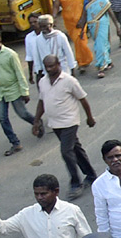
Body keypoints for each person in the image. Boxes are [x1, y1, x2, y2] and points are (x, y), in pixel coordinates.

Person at [33, 55, 97, 199]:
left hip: (69, 122)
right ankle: (91, 174)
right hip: (55, 123)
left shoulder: (69, 81)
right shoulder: (43, 82)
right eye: (46, 67)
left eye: (52, 66)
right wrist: (36, 121)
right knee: (76, 148)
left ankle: (76, 183)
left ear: (59, 64)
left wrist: (90, 117)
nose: (49, 69)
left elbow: (83, 99)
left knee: (66, 151)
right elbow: (42, 102)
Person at [0, 29, 33, 155]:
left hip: (13, 90)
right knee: (2, 119)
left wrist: (24, 91)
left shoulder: (10, 54)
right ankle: (15, 143)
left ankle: (36, 123)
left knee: (23, 114)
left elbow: (19, 73)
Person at [53, 0, 93, 73]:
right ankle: (84, 60)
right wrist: (53, 17)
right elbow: (56, 5)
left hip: (80, 20)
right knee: (76, 41)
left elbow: (85, 6)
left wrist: (83, 20)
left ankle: (82, 62)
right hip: (69, 22)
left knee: (80, 40)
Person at [81, 0, 113, 77]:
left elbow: (110, 12)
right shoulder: (87, 3)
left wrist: (117, 26)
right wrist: (82, 30)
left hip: (102, 24)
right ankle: (108, 61)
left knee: (101, 45)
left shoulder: (103, 0)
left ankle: (101, 68)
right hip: (92, 26)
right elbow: (84, 16)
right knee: (102, 44)